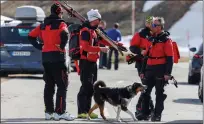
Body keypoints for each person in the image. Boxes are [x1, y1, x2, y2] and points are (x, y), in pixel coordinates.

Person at [28, 3, 75, 121]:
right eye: (62, 12)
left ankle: (48, 112)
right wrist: (62, 46)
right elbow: (65, 33)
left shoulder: (43, 25)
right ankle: (60, 112)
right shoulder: (61, 24)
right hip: (57, 58)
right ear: (59, 12)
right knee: (62, 85)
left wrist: (40, 46)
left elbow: (30, 36)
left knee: (49, 85)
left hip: (46, 57)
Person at [77, 9, 123, 119]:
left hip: (93, 62)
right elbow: (85, 47)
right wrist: (100, 49)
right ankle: (81, 111)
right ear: (95, 19)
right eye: (99, 19)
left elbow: (104, 40)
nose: (100, 22)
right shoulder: (85, 31)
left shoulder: (94, 31)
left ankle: (87, 111)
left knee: (91, 88)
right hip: (86, 62)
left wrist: (115, 44)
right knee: (85, 87)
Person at [140, 17, 174, 122]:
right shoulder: (149, 39)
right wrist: (142, 71)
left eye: (155, 25)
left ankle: (157, 115)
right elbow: (146, 56)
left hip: (160, 68)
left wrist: (168, 73)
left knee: (159, 94)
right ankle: (146, 113)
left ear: (160, 27)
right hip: (149, 68)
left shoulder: (166, 40)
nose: (152, 27)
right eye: (152, 25)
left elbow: (170, 58)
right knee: (145, 92)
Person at [129, 16, 154, 120]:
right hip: (142, 63)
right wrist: (140, 51)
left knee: (148, 88)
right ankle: (143, 110)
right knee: (145, 87)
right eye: (149, 22)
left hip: (154, 64)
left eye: (153, 23)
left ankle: (148, 109)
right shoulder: (140, 34)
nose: (151, 24)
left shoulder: (157, 34)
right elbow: (132, 47)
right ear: (146, 23)